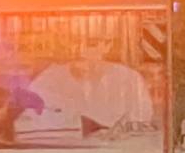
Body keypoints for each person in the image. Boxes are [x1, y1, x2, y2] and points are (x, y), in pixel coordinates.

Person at [18, 29, 155, 141]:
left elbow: (143, 130)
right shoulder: (47, 81)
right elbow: (27, 128)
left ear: (107, 46)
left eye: (90, 44)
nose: (81, 50)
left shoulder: (129, 80)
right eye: (75, 42)